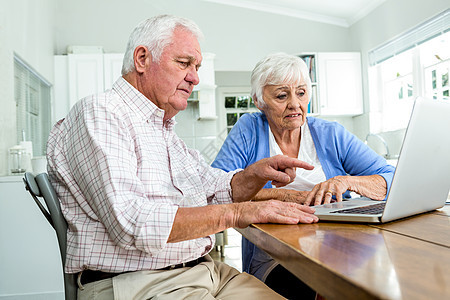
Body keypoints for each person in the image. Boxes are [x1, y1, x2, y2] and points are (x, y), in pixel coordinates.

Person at [46, 16, 321, 299]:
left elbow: (213, 189)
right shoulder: (101, 113)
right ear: (142, 59)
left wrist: (252, 175)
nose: (195, 77)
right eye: (184, 63)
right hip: (139, 282)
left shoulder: (164, 130)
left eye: (197, 67)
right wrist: (240, 213)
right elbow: (131, 222)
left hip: (205, 272)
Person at [212, 52, 396, 299]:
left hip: (341, 243)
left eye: (301, 93)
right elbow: (215, 190)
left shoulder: (330, 133)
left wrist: (346, 181)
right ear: (258, 100)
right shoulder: (249, 129)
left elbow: (390, 176)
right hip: (278, 255)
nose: (295, 104)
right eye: (281, 95)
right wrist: (288, 197)